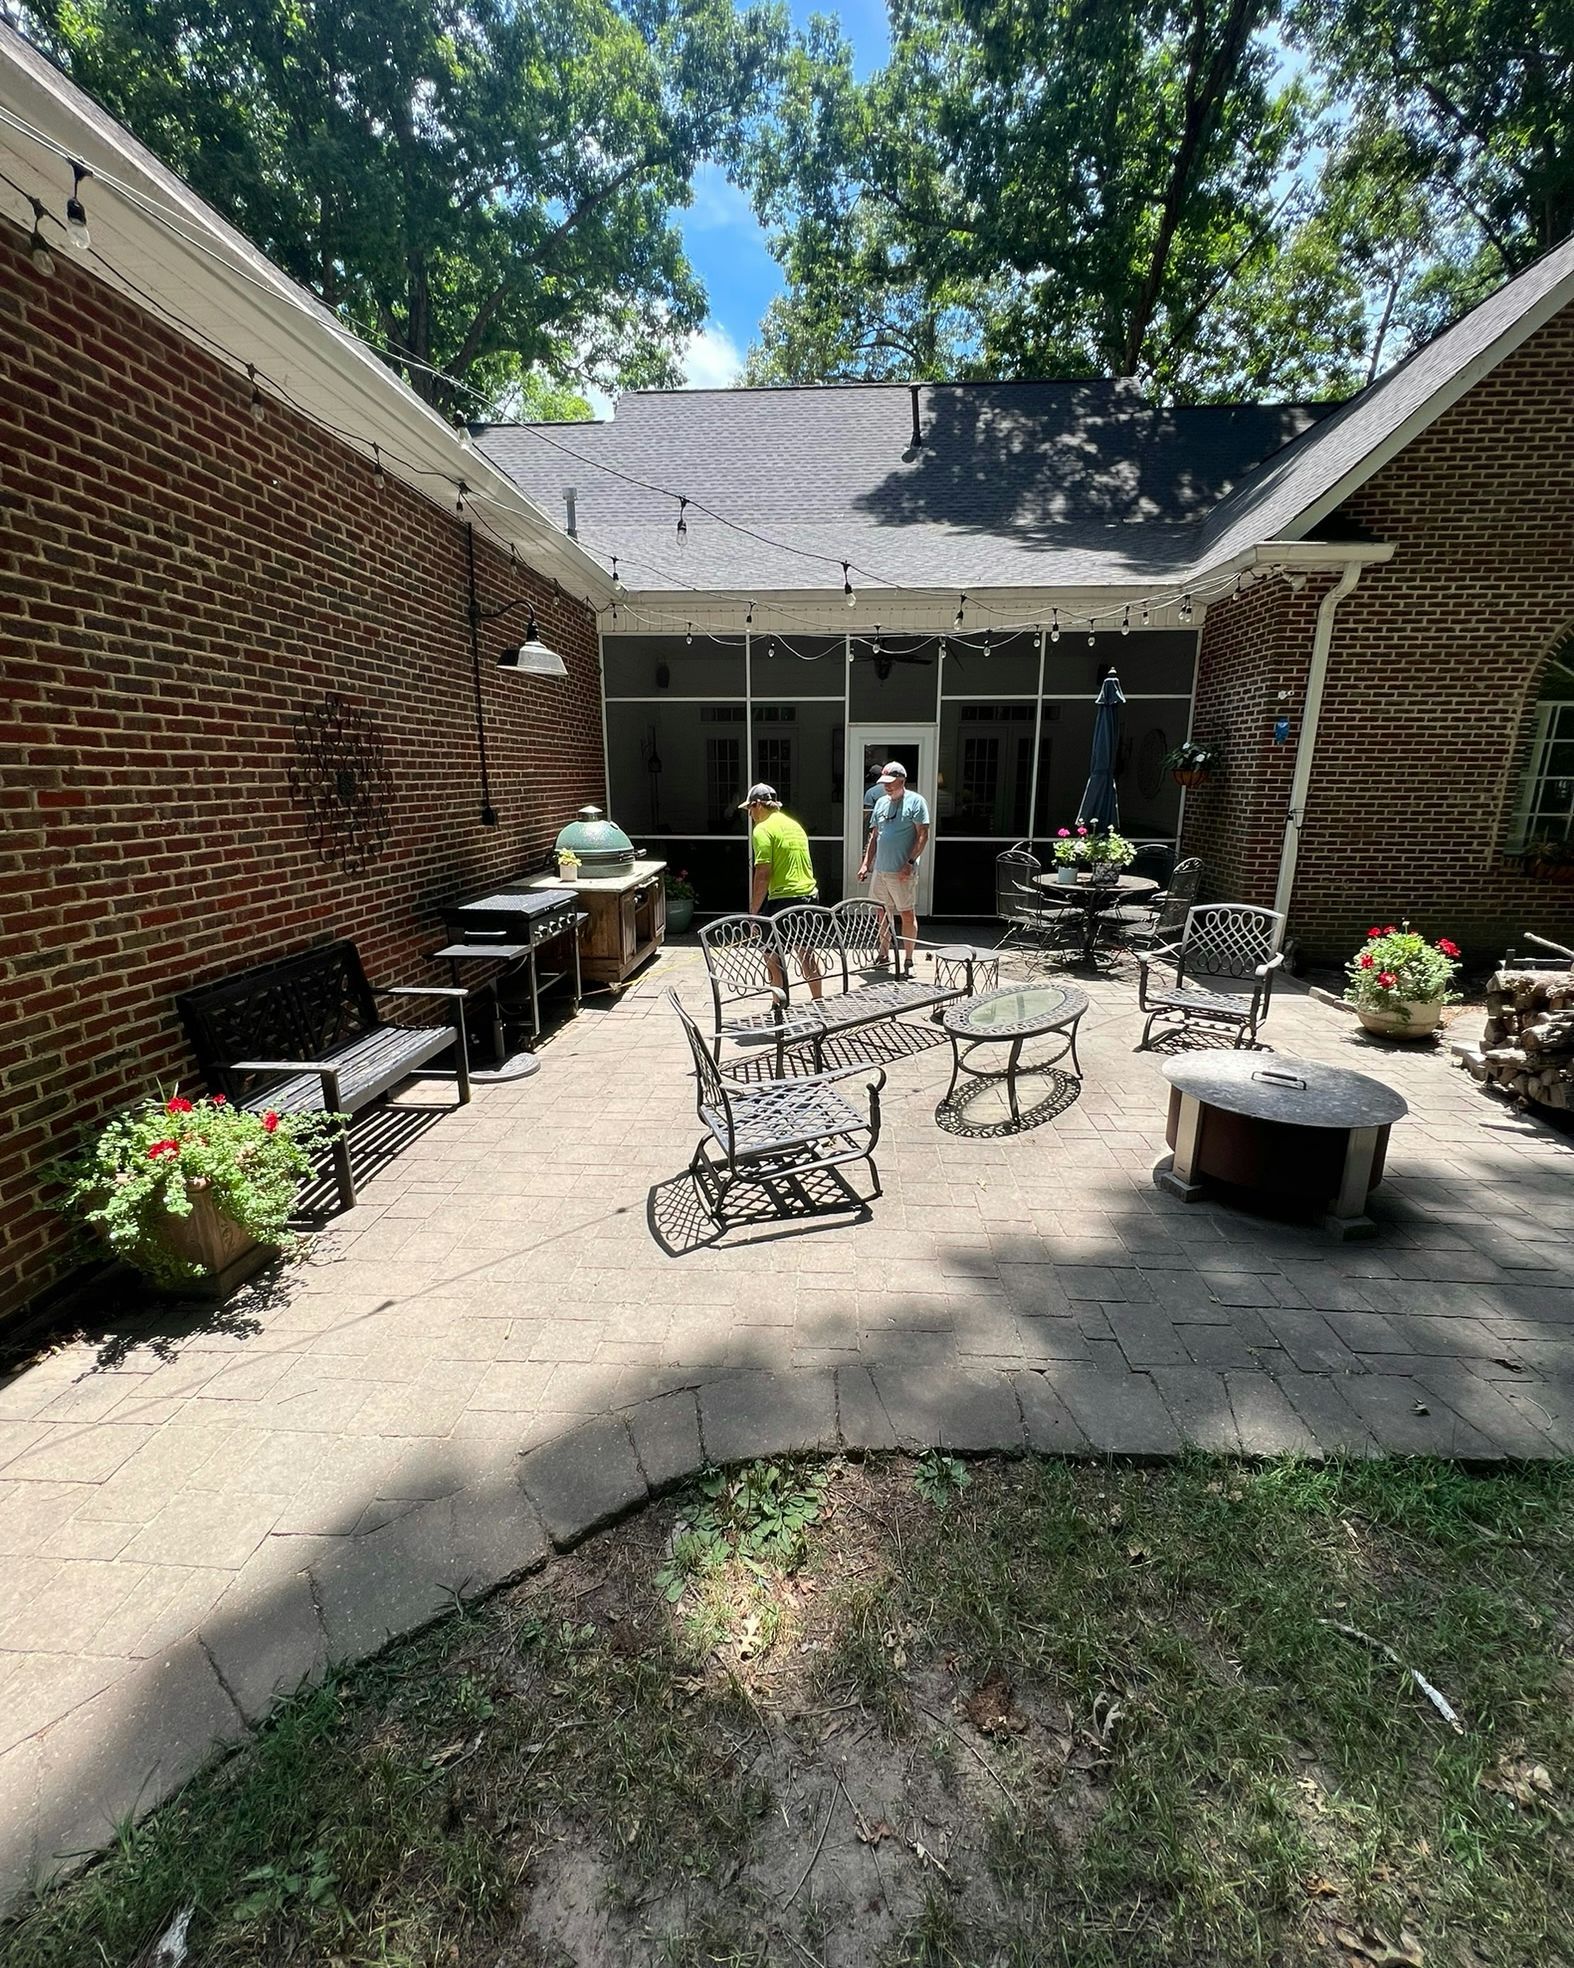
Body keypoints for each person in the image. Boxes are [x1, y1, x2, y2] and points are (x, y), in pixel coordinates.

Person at [741, 782, 823, 999]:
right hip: (809, 896)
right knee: (806, 954)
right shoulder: (795, 826)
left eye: (749, 808)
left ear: (758, 805)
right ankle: (819, 1002)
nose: (749, 814)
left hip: (783, 900)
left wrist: (753, 912)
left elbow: (763, 874)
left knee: (772, 956)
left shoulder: (762, 829)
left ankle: (778, 1005)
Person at [858, 760, 930, 966]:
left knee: (906, 913)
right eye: (884, 782)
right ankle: (883, 954)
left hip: (901, 871)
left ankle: (908, 959)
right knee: (881, 912)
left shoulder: (916, 802)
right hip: (881, 870)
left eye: (891, 781)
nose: (887, 786)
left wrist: (909, 862)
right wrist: (866, 864)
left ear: (902, 780)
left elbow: (922, 835)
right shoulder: (881, 802)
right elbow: (874, 836)